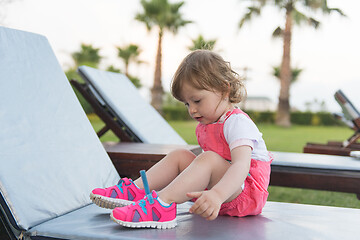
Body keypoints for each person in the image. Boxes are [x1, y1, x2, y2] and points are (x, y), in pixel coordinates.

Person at [90, 50, 272, 229]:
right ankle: (135, 191)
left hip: (245, 195)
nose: (191, 110)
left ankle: (162, 205)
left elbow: (241, 165)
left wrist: (217, 194)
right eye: (187, 104)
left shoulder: (237, 122)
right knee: (180, 155)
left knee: (207, 158)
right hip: (217, 194)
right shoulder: (207, 124)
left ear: (224, 90)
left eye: (197, 101)